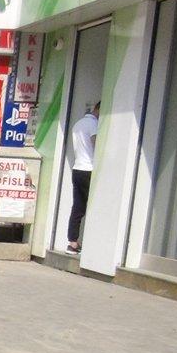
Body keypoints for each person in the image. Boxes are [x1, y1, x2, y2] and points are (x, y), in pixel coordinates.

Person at [67, 101, 99, 253]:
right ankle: (94, 245)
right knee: (94, 206)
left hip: (77, 168)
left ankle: (72, 243)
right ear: (98, 110)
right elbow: (96, 143)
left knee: (78, 206)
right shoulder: (93, 125)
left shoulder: (78, 124)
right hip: (89, 169)